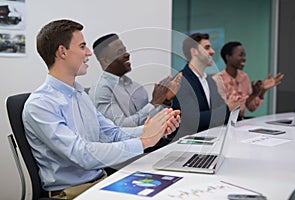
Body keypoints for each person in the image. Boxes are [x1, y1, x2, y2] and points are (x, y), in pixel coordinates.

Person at [22, 19, 180, 199]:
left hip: (102, 181)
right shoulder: (40, 104)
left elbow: (112, 133)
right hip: (74, 193)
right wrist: (144, 141)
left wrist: (153, 130)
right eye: (82, 47)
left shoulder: (81, 94)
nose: (88, 53)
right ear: (62, 51)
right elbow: (81, 154)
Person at [89, 33, 182, 127]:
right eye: (119, 52)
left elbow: (148, 120)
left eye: (124, 49)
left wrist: (165, 99)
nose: (127, 54)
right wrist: (154, 102)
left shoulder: (135, 86)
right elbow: (120, 127)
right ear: (106, 61)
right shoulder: (101, 90)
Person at [168, 33, 245, 142]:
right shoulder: (180, 81)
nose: (212, 52)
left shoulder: (210, 81)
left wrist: (233, 104)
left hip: (210, 140)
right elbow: (193, 120)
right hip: (186, 145)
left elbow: (220, 111)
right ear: (194, 51)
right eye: (207, 48)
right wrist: (228, 108)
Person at [212, 41, 284, 119]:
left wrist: (260, 91)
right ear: (228, 57)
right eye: (240, 55)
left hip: (240, 122)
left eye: (244, 55)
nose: (244, 58)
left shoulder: (244, 77)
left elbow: (250, 107)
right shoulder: (217, 80)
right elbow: (218, 110)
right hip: (222, 123)